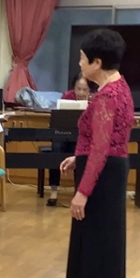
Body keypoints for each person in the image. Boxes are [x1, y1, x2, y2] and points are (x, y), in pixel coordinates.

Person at [60, 28, 134, 278]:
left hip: (102, 173)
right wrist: (77, 157)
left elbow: (101, 149)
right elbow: (105, 141)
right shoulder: (120, 86)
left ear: (97, 62)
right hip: (112, 168)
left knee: (94, 235)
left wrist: (82, 193)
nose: (80, 63)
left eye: (83, 58)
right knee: (107, 234)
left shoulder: (106, 97)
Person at [47, 73, 95, 206]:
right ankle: (54, 190)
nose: (81, 92)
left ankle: (79, 191)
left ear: (90, 91)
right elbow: (59, 119)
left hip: (82, 138)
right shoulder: (67, 97)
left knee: (81, 154)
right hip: (65, 134)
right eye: (78, 89)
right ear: (73, 88)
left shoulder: (94, 101)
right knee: (56, 149)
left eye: (85, 90)